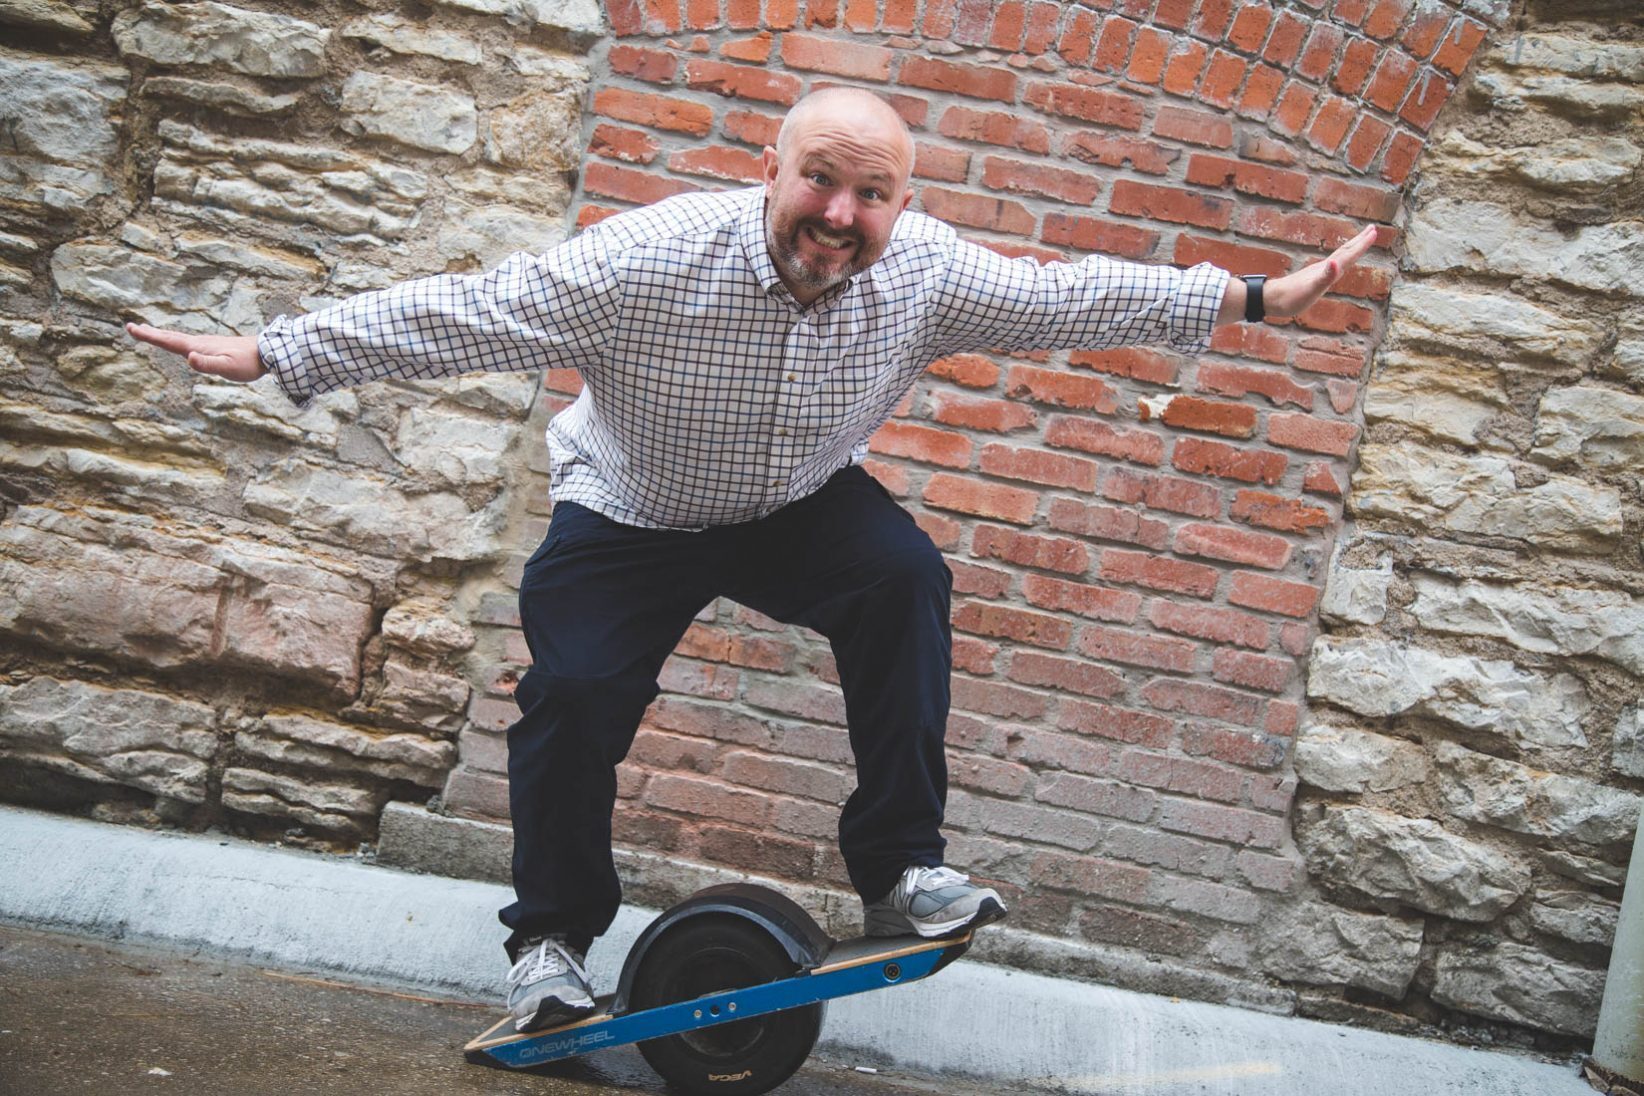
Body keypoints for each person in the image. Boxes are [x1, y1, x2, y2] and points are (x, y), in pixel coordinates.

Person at [127, 86, 1378, 1033]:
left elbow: (1073, 300)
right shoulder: (654, 256)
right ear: (766, 169)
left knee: (902, 577)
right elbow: (475, 309)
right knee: (573, 695)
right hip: (629, 507)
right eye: (819, 181)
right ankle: (551, 947)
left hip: (793, 501)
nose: (840, 216)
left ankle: (901, 872)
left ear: (901, 204)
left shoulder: (928, 276)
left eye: (871, 194)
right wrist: (282, 351)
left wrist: (1255, 300)